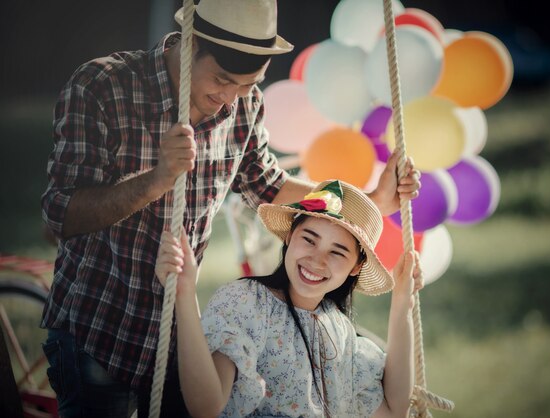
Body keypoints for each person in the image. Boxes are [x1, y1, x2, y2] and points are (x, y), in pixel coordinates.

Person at [40, 0, 420, 416]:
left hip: (178, 332)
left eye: (247, 83)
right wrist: (157, 179)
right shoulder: (102, 85)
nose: (229, 100)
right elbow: (60, 215)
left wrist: (368, 202)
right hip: (99, 330)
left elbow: (269, 186)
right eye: (221, 80)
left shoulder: (244, 103)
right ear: (189, 45)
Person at [156, 180, 423, 417]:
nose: (317, 260)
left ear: (355, 267)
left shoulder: (338, 330)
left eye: (338, 252)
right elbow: (206, 408)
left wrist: (402, 302)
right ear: (290, 236)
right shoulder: (246, 303)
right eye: (309, 239)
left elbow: (394, 409)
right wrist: (184, 293)